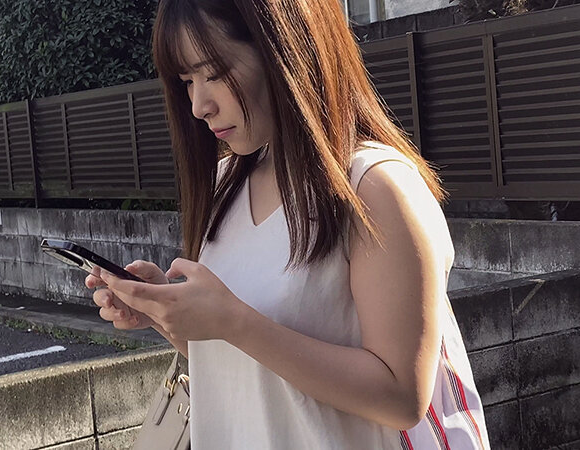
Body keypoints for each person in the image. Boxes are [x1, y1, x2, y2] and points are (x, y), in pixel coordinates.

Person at [85, 0, 490, 448]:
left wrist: (233, 321)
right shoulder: (225, 183)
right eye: (187, 81)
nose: (199, 105)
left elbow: (401, 396)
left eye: (214, 72)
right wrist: (171, 314)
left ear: (285, 49)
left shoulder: (374, 186)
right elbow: (247, 364)